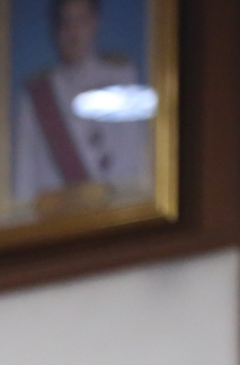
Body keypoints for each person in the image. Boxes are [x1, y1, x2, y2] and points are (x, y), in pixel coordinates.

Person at [10, 0, 151, 212]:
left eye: (80, 21)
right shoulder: (36, 95)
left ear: (95, 23)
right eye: (65, 22)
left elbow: (135, 153)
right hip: (59, 220)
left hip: (117, 212)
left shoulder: (122, 76)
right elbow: (24, 176)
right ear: (55, 29)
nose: (72, 32)